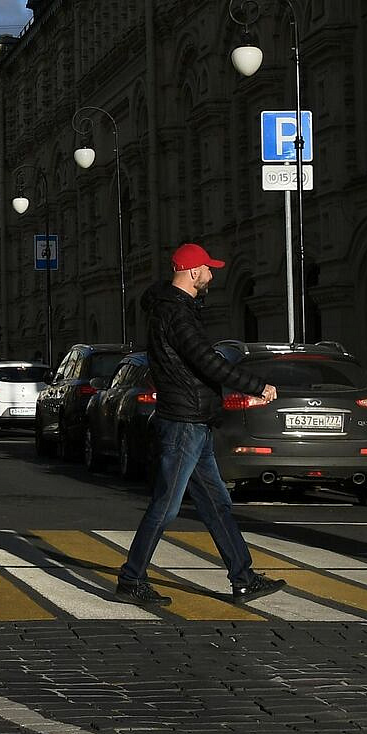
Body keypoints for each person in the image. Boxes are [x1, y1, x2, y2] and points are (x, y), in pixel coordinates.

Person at [115, 244, 287, 607]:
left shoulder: (174, 309)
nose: (212, 275)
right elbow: (206, 362)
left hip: (195, 420)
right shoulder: (176, 313)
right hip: (184, 422)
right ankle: (132, 579)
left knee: (216, 504)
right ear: (193, 272)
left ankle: (243, 578)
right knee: (166, 506)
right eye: (209, 269)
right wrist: (257, 385)